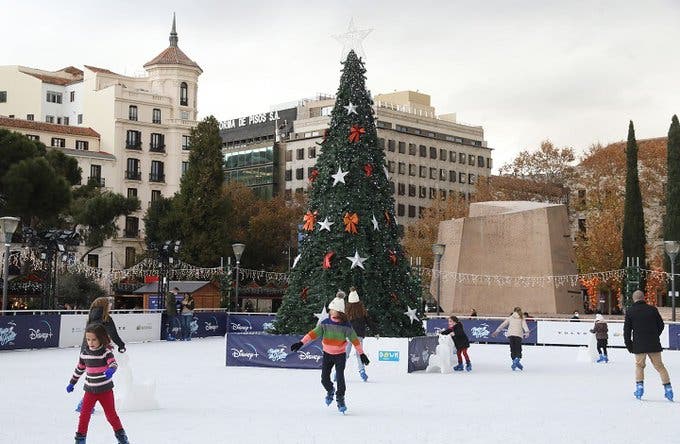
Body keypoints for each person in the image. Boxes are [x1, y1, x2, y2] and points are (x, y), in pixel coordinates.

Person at [290, 296, 369, 414]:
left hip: (340, 355)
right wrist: (301, 343)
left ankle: (340, 398)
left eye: (332, 309)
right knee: (324, 379)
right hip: (327, 355)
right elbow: (312, 334)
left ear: (338, 311)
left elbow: (355, 341)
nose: (330, 311)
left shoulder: (346, 326)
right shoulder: (325, 323)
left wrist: (362, 354)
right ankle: (330, 390)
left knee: (340, 377)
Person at [67, 323, 130, 444]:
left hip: (105, 391)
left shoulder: (105, 352)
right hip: (90, 391)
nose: (90, 342)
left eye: (94, 339)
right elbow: (79, 369)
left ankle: (122, 438)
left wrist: (111, 370)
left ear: (101, 338)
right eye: (88, 339)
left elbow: (113, 363)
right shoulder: (85, 353)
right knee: (84, 416)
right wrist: (72, 383)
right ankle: (80, 440)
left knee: (111, 416)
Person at [623, 290, 673, 401]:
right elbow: (661, 325)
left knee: (640, 366)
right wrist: (655, 335)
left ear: (634, 299)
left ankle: (639, 388)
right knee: (660, 366)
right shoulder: (652, 310)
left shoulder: (630, 311)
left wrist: (629, 344)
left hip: (639, 345)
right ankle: (668, 389)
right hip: (653, 343)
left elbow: (627, 330)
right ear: (644, 298)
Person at [345, 287, 378, 381]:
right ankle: (362, 370)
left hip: (348, 335)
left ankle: (338, 371)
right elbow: (369, 322)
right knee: (359, 353)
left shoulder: (347, 311)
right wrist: (375, 332)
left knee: (345, 354)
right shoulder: (362, 310)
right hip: (358, 335)